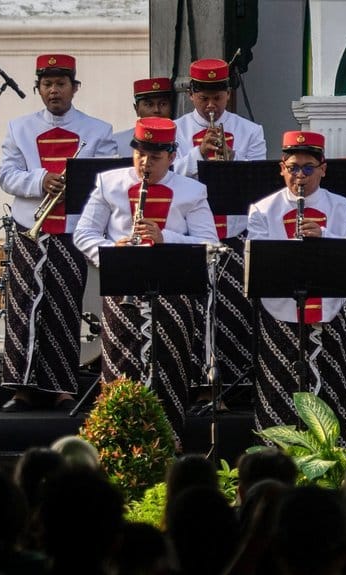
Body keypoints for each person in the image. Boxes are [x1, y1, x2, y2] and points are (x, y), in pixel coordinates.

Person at [73, 116, 218, 440]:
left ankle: (169, 442)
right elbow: (84, 234)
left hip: (172, 296)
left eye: (155, 157)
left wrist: (166, 237)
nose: (145, 163)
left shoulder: (192, 191)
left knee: (169, 370)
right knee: (120, 371)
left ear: (172, 156)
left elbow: (209, 244)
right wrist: (113, 251)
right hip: (122, 292)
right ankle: (121, 447)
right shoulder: (109, 183)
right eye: (140, 154)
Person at [0, 53, 116, 412]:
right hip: (30, 227)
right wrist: (41, 180)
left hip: (71, 229)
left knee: (64, 307)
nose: (54, 90)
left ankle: (62, 388)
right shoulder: (19, 127)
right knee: (23, 306)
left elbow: (107, 179)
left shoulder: (98, 131)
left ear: (74, 87)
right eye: (47, 84)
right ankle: (21, 387)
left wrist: (75, 185)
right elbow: (6, 175)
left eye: (61, 84)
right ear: (38, 89)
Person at [246, 131, 346, 434]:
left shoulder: (344, 207)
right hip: (280, 309)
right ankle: (278, 450)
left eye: (308, 168)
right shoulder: (263, 209)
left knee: (330, 382)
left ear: (323, 169)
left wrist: (325, 236)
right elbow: (258, 259)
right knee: (279, 384)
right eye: (293, 168)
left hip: (329, 307)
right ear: (282, 169)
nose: (299, 176)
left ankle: (331, 450)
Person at [175, 58, 266, 408]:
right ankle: (198, 385)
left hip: (235, 232)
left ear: (228, 94)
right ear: (191, 95)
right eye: (204, 98)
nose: (211, 105)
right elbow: (169, 177)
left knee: (234, 311)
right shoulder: (177, 130)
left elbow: (257, 182)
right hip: (192, 235)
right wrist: (198, 154)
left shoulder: (250, 131)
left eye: (217, 97)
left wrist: (231, 161)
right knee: (197, 311)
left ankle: (234, 386)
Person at [113, 77, 174, 156]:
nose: (156, 110)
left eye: (163, 104)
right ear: (136, 109)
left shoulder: (183, 137)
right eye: (149, 105)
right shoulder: (118, 142)